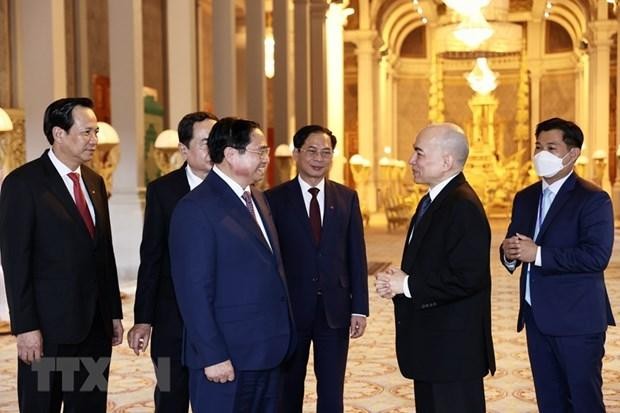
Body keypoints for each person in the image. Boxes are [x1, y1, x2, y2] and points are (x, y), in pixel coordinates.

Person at [0, 97, 123, 412]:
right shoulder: (22, 184)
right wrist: (25, 327)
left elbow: (103, 254)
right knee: (42, 405)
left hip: (94, 327)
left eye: (95, 132)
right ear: (58, 134)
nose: (94, 140)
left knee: (90, 405)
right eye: (87, 132)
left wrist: (113, 313)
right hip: (47, 330)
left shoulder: (95, 182)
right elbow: (15, 263)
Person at [168, 117, 293, 413]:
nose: (266, 158)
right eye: (259, 151)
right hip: (226, 359)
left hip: (268, 351)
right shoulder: (195, 208)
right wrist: (212, 355)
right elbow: (193, 292)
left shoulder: (258, 199)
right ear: (230, 154)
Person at [375, 123, 495, 413]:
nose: (411, 161)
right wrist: (400, 279)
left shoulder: (462, 205)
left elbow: (468, 278)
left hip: (452, 352)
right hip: (433, 345)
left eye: (419, 153)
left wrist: (406, 286)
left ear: (446, 161)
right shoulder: (433, 200)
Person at [500, 117, 615, 412]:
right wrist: (509, 253)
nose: (541, 154)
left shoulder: (593, 199)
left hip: (577, 321)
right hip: (536, 317)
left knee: (583, 401)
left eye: (551, 147)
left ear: (573, 153)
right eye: (538, 146)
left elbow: (595, 257)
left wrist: (537, 254)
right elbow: (515, 244)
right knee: (549, 401)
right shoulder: (525, 198)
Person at [265, 125, 369, 413]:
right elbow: (270, 261)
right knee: (288, 389)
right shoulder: (273, 199)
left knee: (332, 392)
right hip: (290, 313)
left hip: (334, 312)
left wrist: (359, 308)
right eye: (311, 151)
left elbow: (356, 256)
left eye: (326, 152)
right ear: (297, 154)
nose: (319, 158)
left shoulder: (346, 198)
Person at [127, 111, 218, 412]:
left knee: (217, 397)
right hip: (170, 323)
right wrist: (143, 319)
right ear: (184, 150)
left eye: (218, 141)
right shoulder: (163, 192)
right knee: (169, 394)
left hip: (219, 321)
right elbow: (151, 257)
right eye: (206, 142)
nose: (213, 149)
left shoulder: (232, 191)